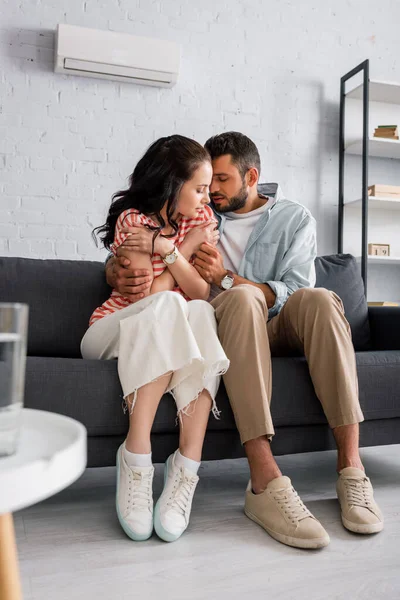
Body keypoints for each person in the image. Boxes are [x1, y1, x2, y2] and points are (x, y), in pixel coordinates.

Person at [106, 132, 383, 550]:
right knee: (240, 299)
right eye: (206, 182)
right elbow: (146, 234)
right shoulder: (198, 213)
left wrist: (226, 278)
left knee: (323, 299)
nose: (211, 191)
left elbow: (294, 291)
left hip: (278, 323)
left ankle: (351, 469)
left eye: (222, 180)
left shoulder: (294, 218)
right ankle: (264, 481)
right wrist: (115, 268)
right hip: (226, 324)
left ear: (251, 176)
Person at [81, 135, 229, 544]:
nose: (205, 199)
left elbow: (201, 293)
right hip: (111, 331)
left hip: (169, 329)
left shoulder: (200, 221)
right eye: (198, 188)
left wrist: (165, 248)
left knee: (199, 311)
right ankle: (136, 456)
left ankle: (186, 465)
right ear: (170, 183)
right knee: (169, 307)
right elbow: (150, 296)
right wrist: (178, 253)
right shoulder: (133, 221)